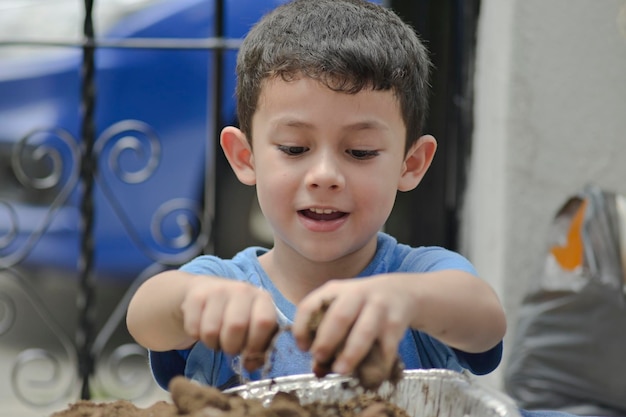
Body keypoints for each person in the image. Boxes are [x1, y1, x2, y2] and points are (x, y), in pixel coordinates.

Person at [126, 0, 507, 393]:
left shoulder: (421, 276)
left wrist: (405, 300)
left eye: (360, 151)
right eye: (294, 149)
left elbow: (485, 320)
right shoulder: (226, 283)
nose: (325, 176)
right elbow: (146, 316)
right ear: (245, 157)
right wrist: (196, 302)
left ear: (411, 164)